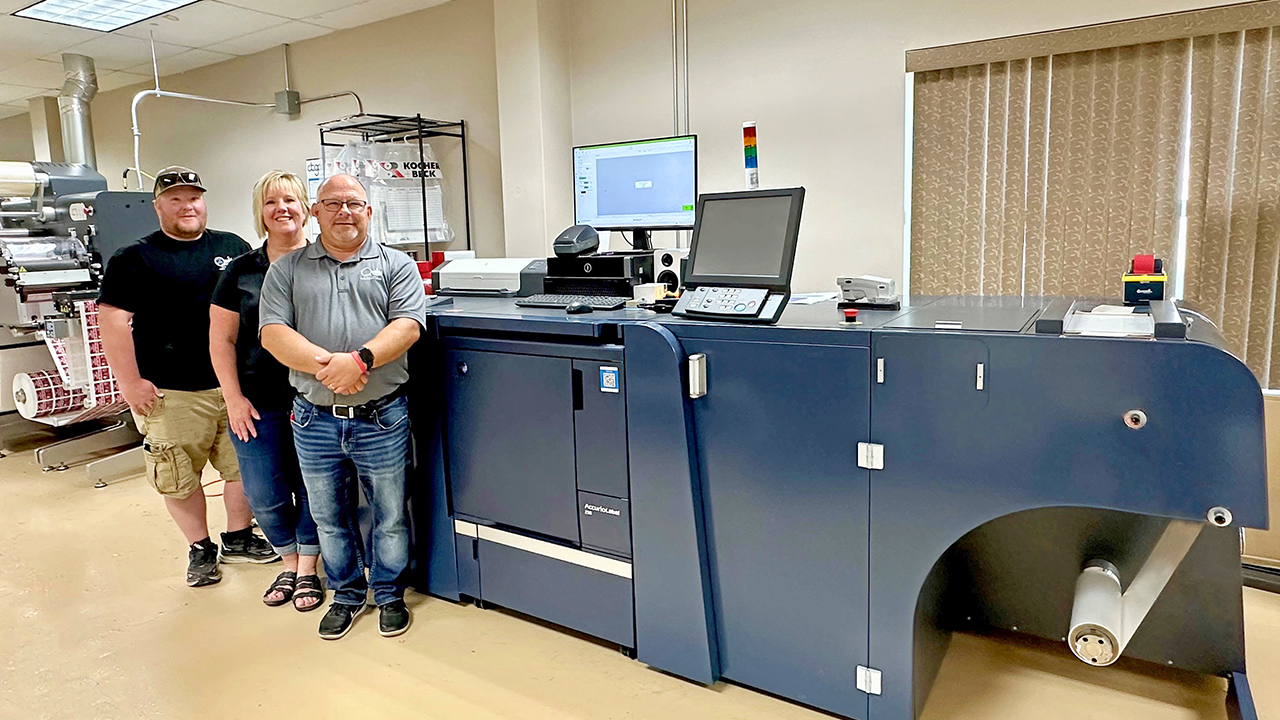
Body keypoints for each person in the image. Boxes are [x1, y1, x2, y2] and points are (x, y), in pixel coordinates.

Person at [259, 174, 426, 640]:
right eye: (332, 204)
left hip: (382, 416)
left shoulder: (396, 264)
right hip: (314, 418)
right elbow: (273, 333)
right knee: (329, 518)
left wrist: (359, 361)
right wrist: (332, 367)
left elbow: (408, 325)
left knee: (390, 516)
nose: (344, 212)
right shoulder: (287, 270)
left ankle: (389, 594)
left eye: (354, 203)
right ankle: (348, 595)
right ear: (316, 212)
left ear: (369, 212)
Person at [99, 166, 278, 588]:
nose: (187, 206)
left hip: (235, 386)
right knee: (179, 476)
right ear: (157, 206)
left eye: (194, 197)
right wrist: (130, 383)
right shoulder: (133, 258)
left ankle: (238, 537)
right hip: (172, 391)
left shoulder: (232, 247)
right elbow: (113, 322)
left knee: (243, 469)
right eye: (175, 199)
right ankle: (200, 547)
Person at [210, 170, 323, 611]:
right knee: (262, 491)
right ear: (261, 212)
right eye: (271, 202)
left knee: (315, 487)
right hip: (256, 401)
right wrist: (233, 398)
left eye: (290, 200)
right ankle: (287, 559)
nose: (282, 209)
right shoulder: (240, 271)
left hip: (315, 398)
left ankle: (307, 566)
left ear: (305, 208)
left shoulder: (325, 262)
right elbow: (221, 341)